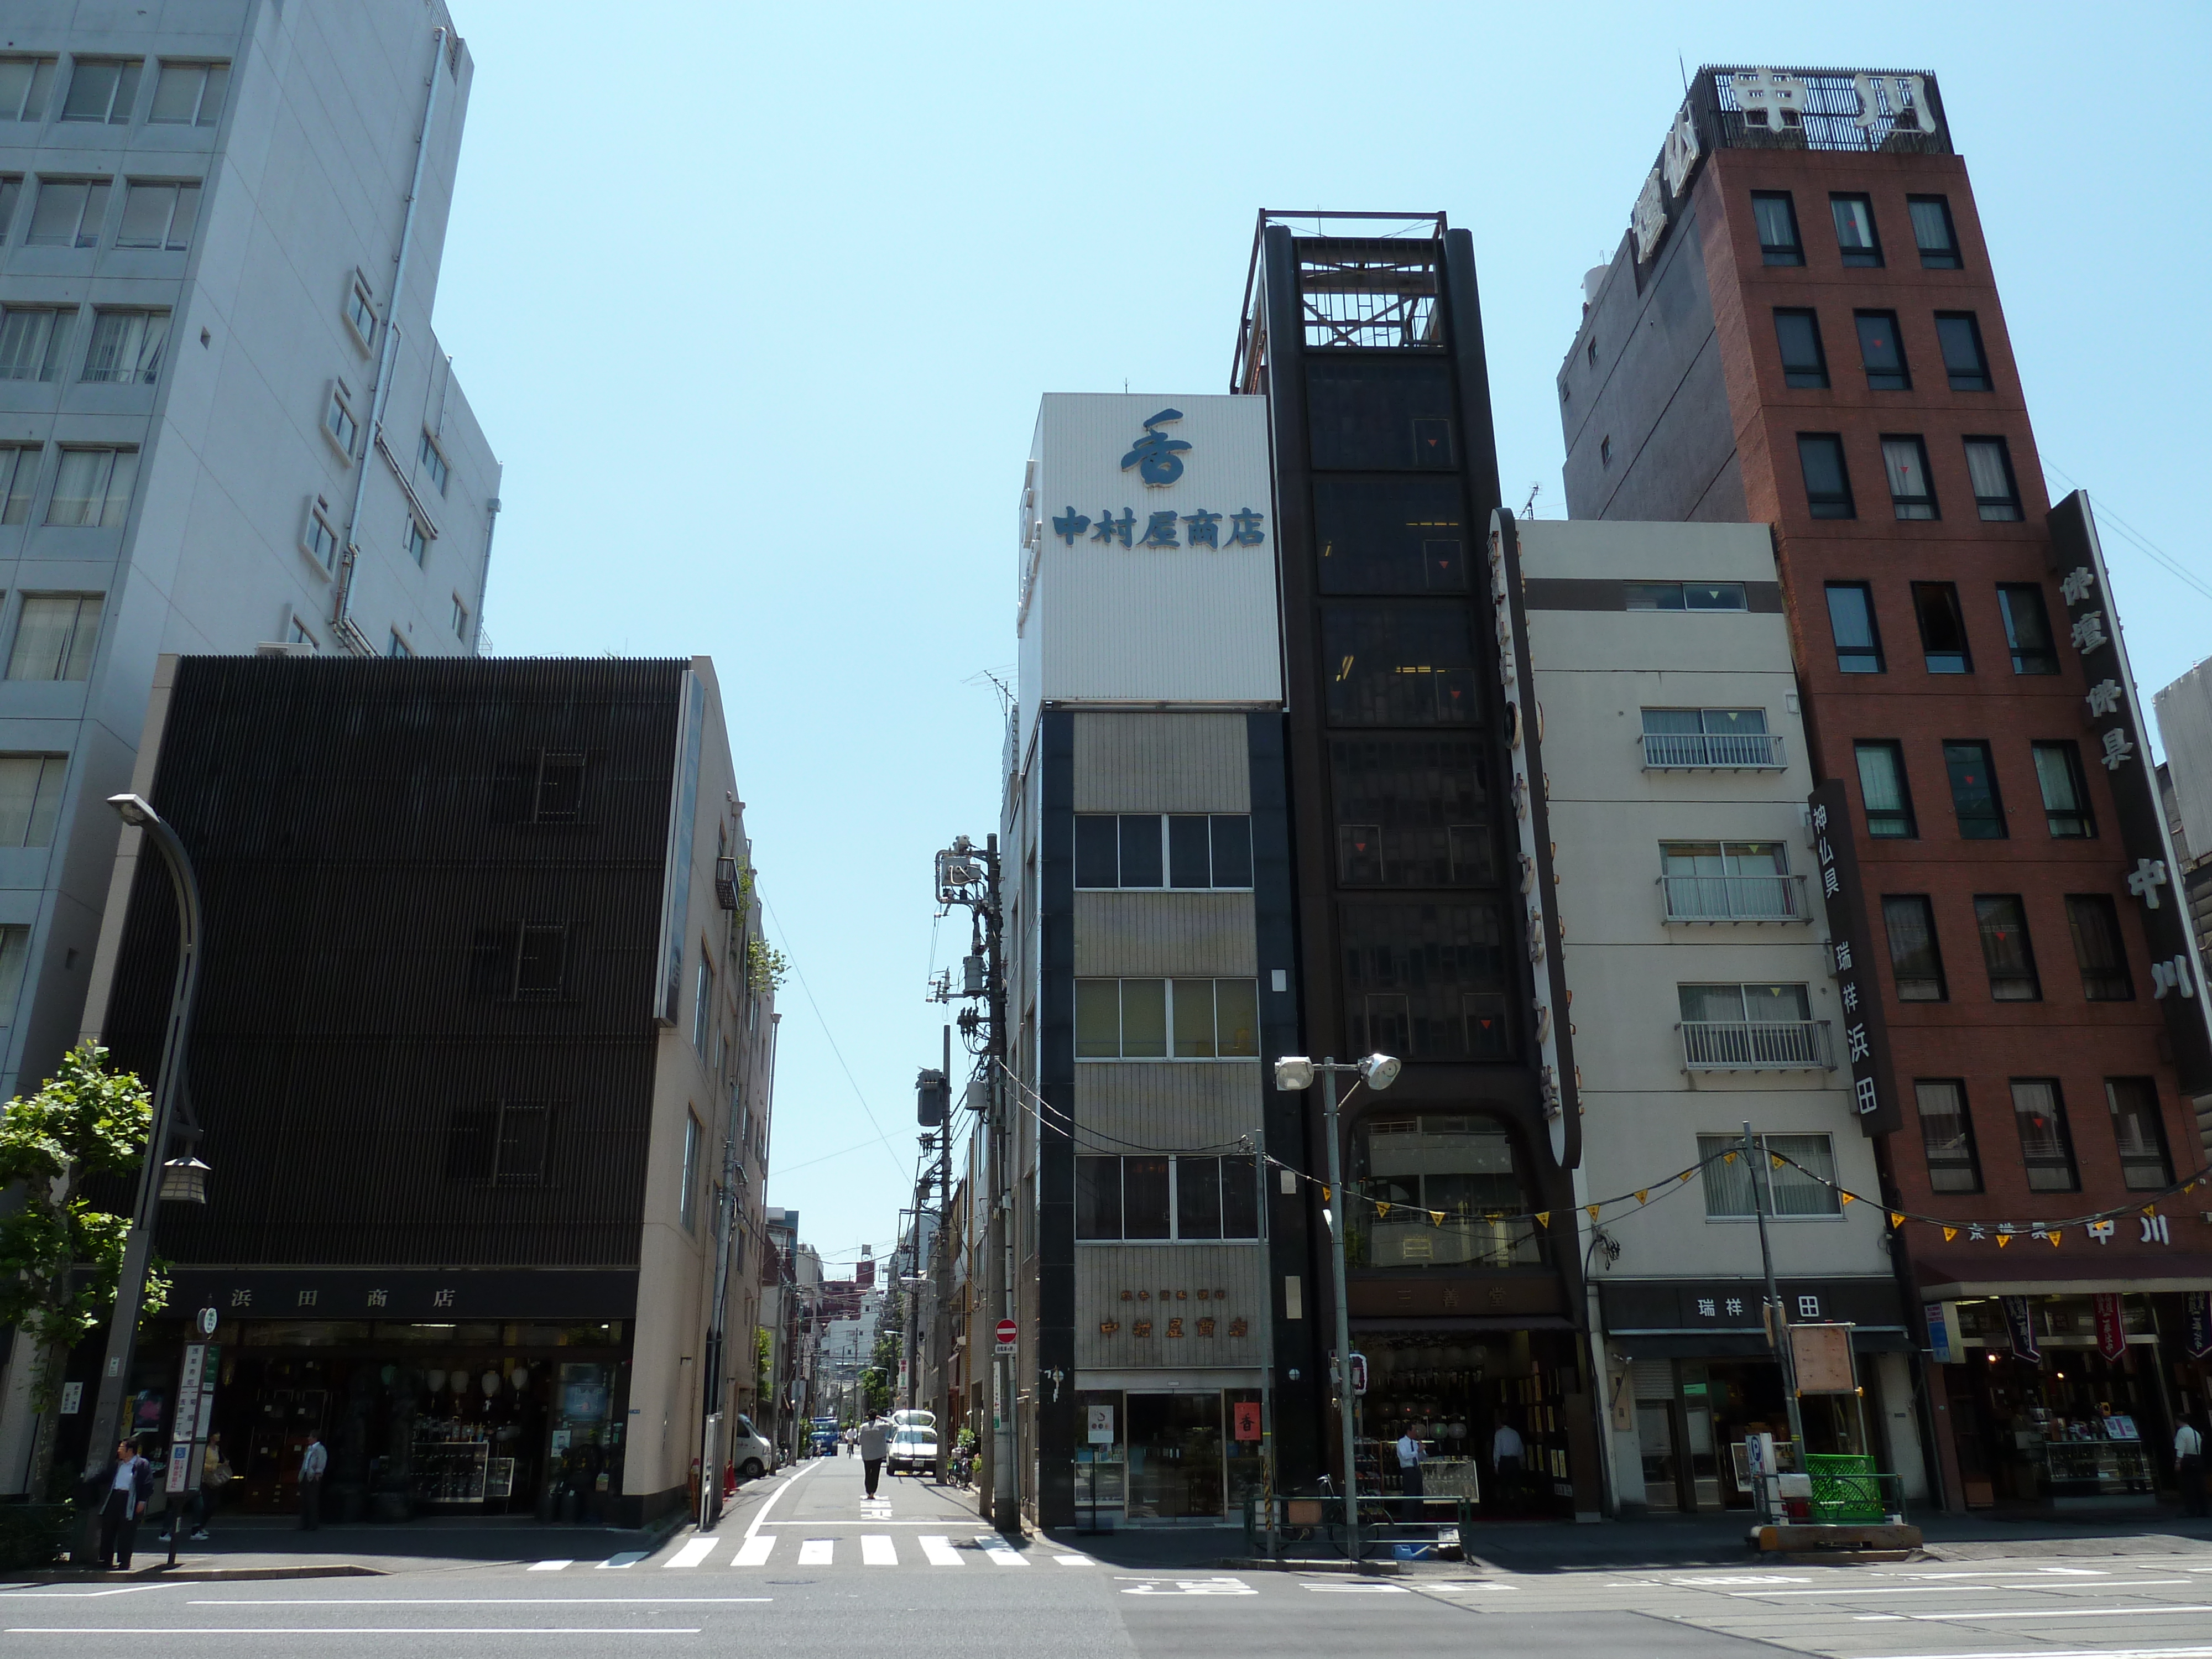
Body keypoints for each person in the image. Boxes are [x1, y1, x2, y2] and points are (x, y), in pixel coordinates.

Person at [91, 1438, 153, 1570]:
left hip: (130, 1500)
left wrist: (142, 1501)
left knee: (127, 1532)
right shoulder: (118, 1465)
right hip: (115, 1497)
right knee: (108, 1529)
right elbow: (105, 1476)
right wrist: (89, 1481)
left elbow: (148, 1484)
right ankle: (106, 1560)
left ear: (130, 1450)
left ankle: (124, 1561)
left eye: (121, 1448)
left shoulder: (142, 1464)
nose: (119, 1451)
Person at [2177, 1414, 2206, 1519]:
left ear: (2179, 1421)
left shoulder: (2182, 1432)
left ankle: (2191, 1510)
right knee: (2199, 1486)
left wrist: (2178, 1462)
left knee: (2188, 1487)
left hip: (2187, 1460)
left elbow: (2180, 1449)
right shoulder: (2195, 1432)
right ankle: (2204, 1509)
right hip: (2197, 1459)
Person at [298, 1430, 328, 1530]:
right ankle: (304, 1524)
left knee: (312, 1501)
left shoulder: (320, 1449)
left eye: (310, 1437)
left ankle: (312, 1524)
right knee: (304, 1500)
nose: (308, 1439)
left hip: (313, 1476)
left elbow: (322, 1461)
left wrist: (318, 1473)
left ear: (315, 1438)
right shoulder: (309, 1449)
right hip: (306, 1475)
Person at [858, 1415, 889, 1499]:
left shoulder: (863, 1427)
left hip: (866, 1454)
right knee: (876, 1474)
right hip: (878, 1454)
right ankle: (872, 1492)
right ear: (876, 1417)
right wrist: (882, 1419)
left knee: (868, 1473)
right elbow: (891, 1424)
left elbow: (859, 1440)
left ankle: (868, 1491)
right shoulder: (881, 1426)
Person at [1395, 1424, 1425, 1499]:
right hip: (1408, 1470)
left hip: (1417, 1469)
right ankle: (1408, 1510)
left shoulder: (1415, 1443)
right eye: (1415, 1431)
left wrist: (1422, 1450)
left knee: (1419, 1493)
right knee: (1410, 1493)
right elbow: (1405, 1456)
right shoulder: (1402, 1443)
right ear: (1409, 1431)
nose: (1416, 1433)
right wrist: (1417, 1451)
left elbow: (1421, 1458)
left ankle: (1419, 1509)